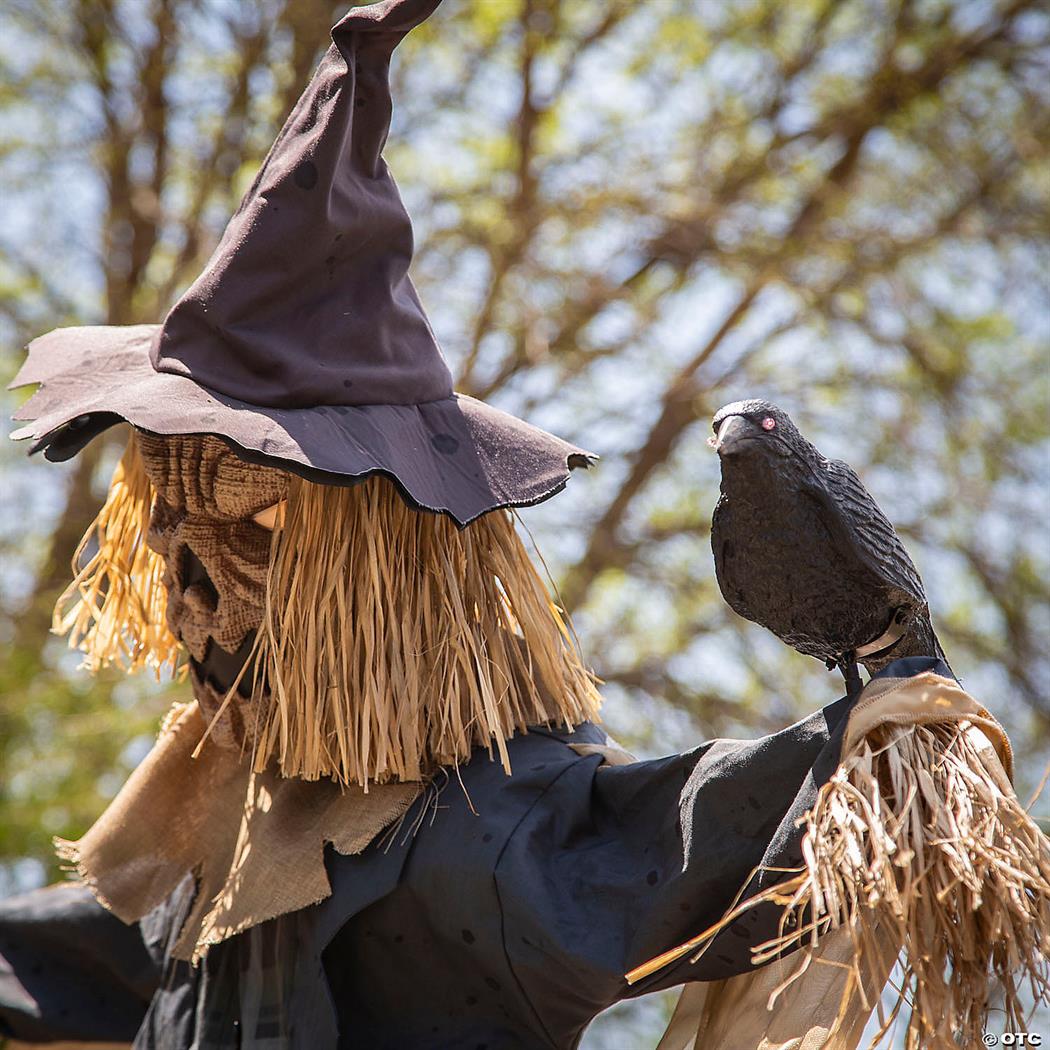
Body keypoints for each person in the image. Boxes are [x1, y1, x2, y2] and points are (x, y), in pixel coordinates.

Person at [2, 2, 1043, 1048]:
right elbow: (87, 957)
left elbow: (704, 828)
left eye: (252, 525)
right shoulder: (224, 834)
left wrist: (892, 700)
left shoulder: (487, 835)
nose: (183, 586)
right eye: (165, 525)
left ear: (380, 565)